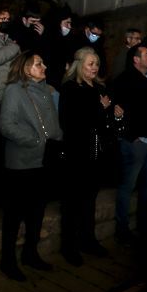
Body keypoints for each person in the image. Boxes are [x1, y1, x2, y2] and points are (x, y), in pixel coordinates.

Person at [0, 52, 63, 281]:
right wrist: (35, 140)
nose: (44, 66)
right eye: (38, 64)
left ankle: (30, 254)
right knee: (14, 216)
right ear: (26, 69)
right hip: (22, 164)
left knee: (37, 213)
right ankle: (8, 261)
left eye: (43, 62)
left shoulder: (46, 90)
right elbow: (6, 126)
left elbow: (52, 122)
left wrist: (57, 137)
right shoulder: (15, 91)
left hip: (44, 162)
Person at [57, 47, 113, 266]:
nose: (94, 67)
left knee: (90, 201)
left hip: (96, 152)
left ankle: (88, 240)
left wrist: (111, 112)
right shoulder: (70, 89)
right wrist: (101, 110)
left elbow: (102, 120)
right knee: (72, 203)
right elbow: (73, 123)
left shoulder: (99, 88)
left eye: (97, 64)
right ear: (79, 64)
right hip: (76, 154)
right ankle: (68, 246)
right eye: (90, 63)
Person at [111, 43, 147, 245]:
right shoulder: (125, 79)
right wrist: (132, 136)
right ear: (136, 59)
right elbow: (116, 108)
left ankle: (143, 225)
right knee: (127, 186)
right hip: (136, 142)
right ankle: (122, 229)